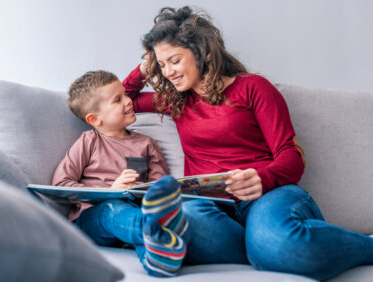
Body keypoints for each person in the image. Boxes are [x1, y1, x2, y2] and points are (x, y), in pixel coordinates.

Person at [123, 6, 373, 280]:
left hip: (268, 195)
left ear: (203, 52)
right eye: (162, 64)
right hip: (211, 207)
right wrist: (145, 67)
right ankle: (257, 247)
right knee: (179, 219)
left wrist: (261, 178)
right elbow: (120, 103)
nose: (167, 72)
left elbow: (291, 154)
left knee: (276, 244)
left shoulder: (252, 88)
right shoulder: (176, 101)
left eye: (174, 60)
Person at [52, 70, 191, 277]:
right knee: (112, 208)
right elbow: (61, 184)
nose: (128, 101)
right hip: (95, 218)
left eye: (125, 94)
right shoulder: (89, 141)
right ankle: (157, 229)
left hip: (135, 212)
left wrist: (144, 193)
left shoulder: (146, 144)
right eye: (118, 99)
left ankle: (158, 260)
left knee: (145, 217)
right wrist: (110, 190)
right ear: (95, 119)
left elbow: (159, 187)